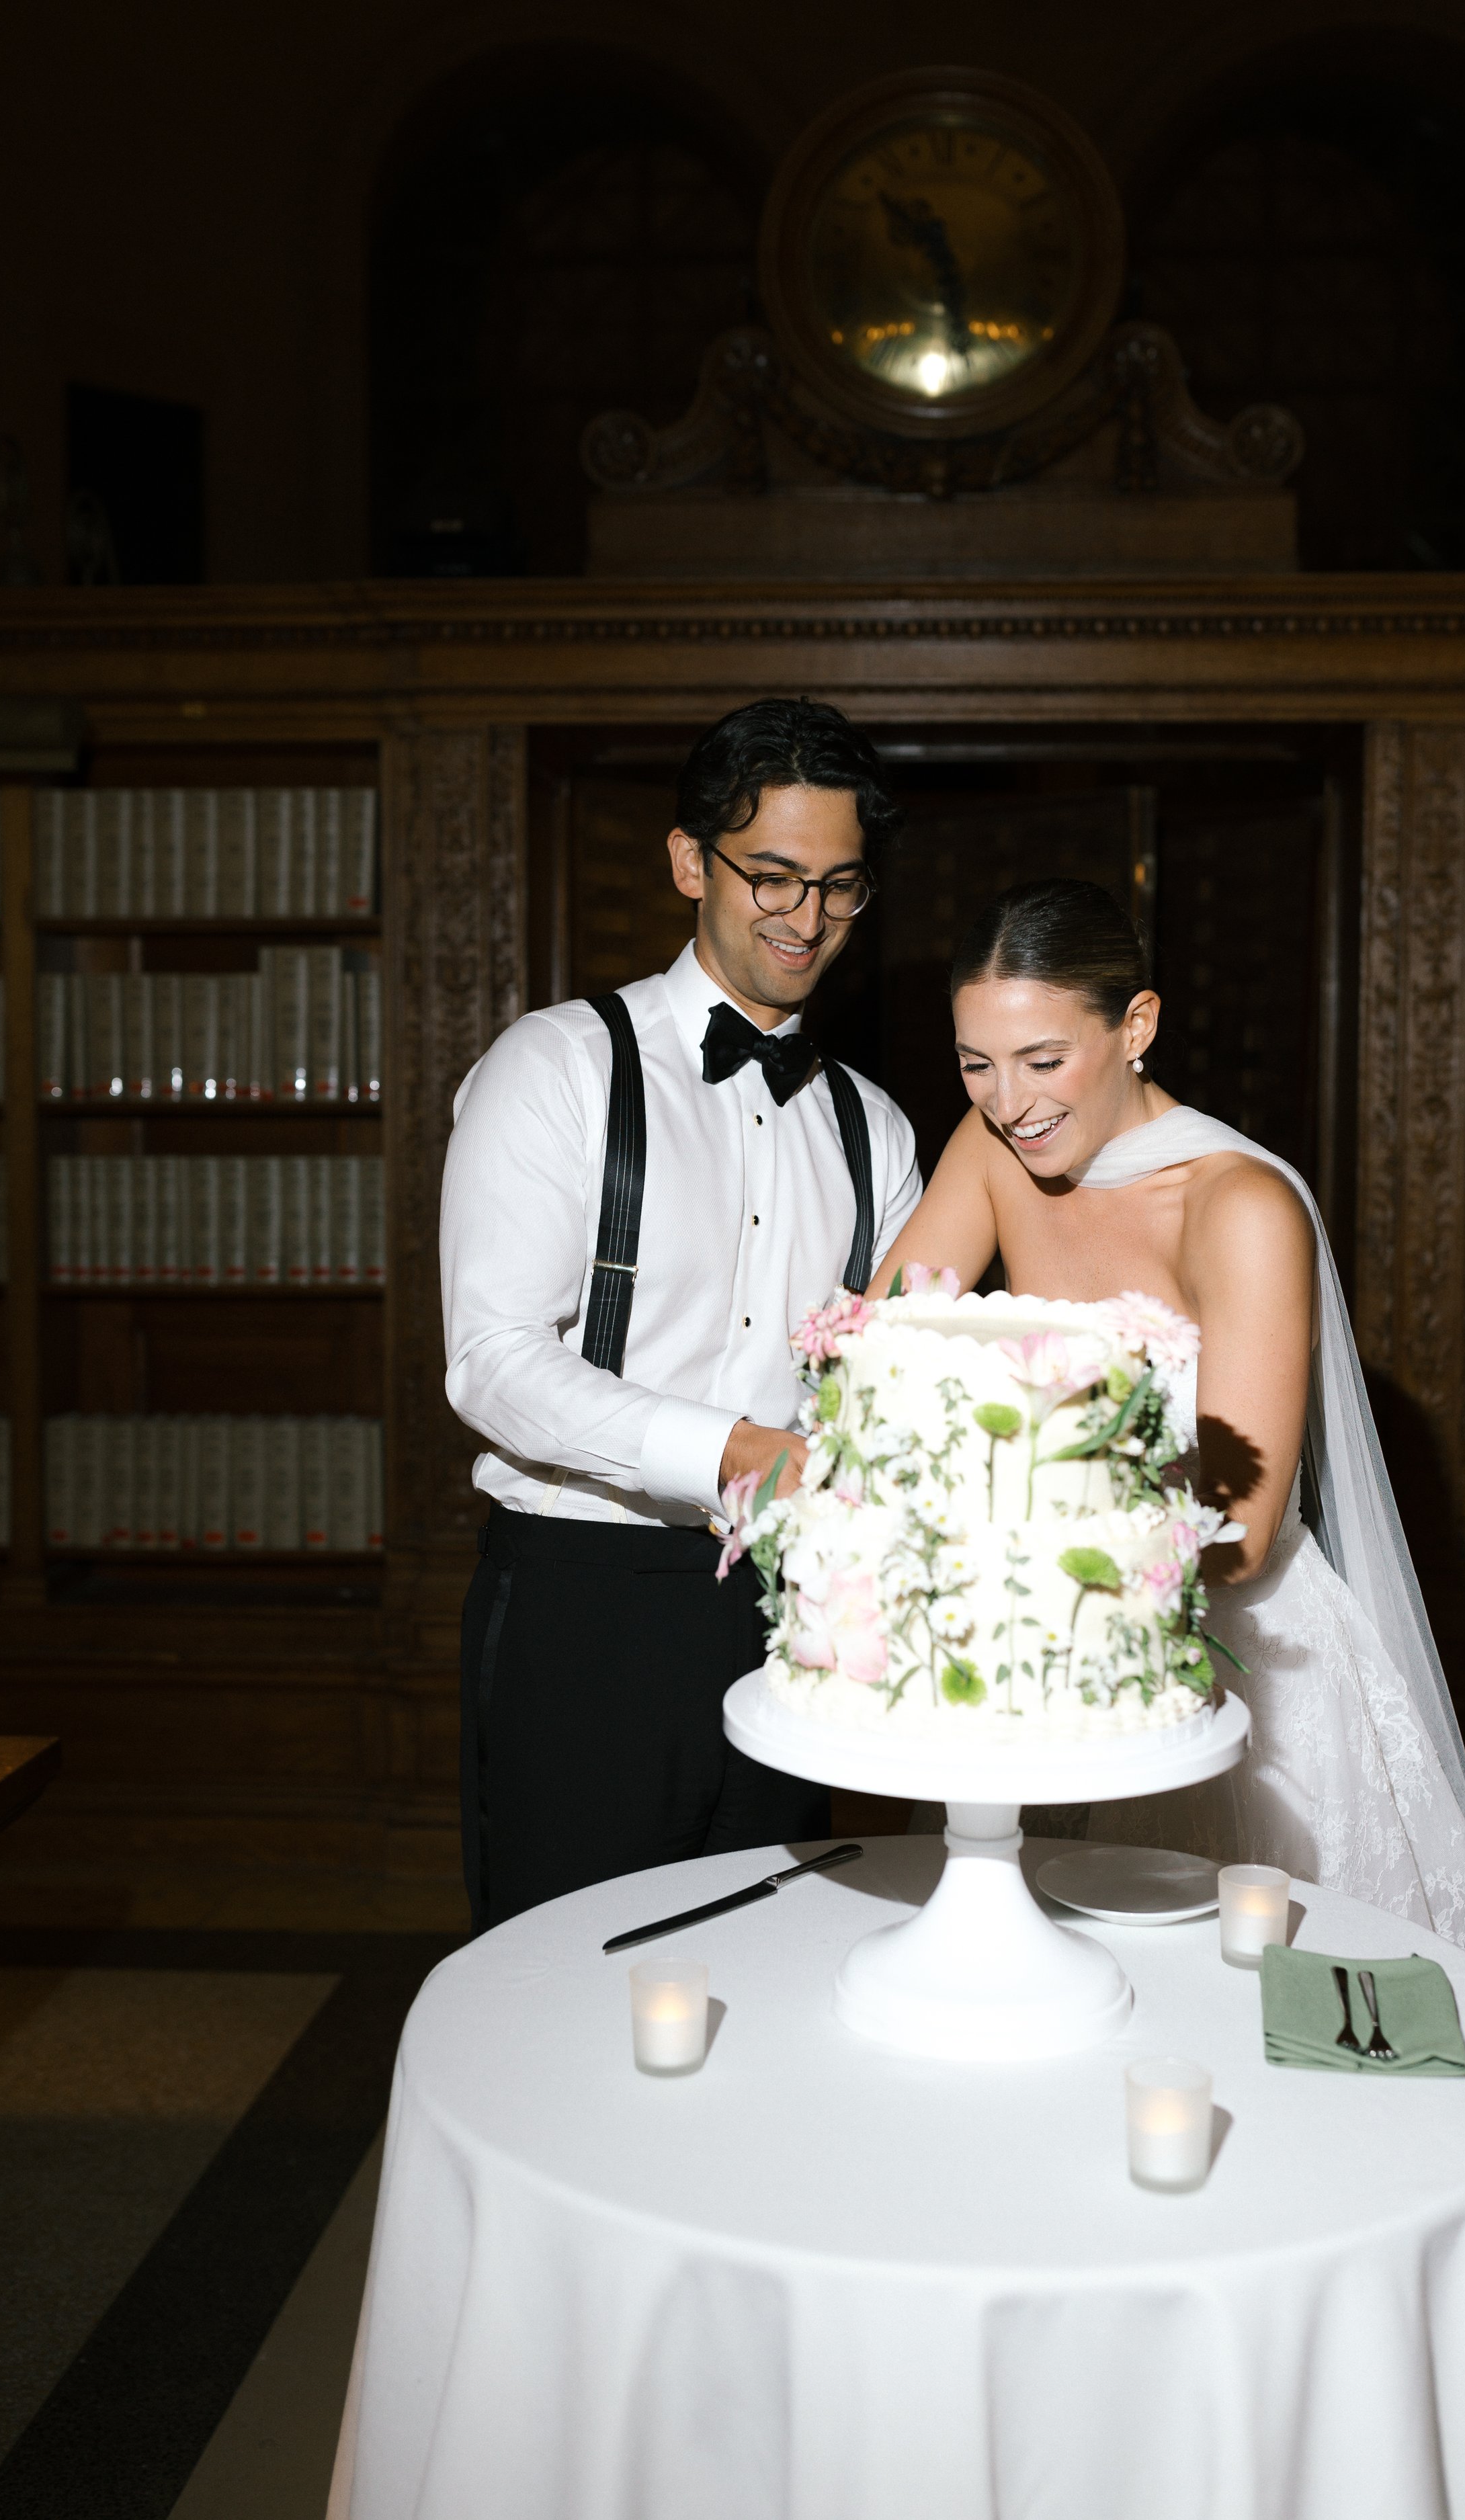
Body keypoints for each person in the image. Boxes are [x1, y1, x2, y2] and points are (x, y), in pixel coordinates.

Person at [872, 876, 1465, 1966]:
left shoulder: (1239, 1206)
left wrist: (1020, 1543)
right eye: (977, 1062)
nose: (1009, 1100)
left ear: (1138, 1026)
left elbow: (1241, 1531)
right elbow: (883, 1362)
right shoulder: (990, 1149)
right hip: (1035, 1637)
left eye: (1043, 1059)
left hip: (1238, 1663)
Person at [441, 698, 920, 1931]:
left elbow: (890, 1387)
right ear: (686, 862)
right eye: (772, 876)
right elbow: (490, 1364)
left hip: (794, 1615)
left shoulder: (878, 1128)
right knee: (563, 1981)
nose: (807, 919)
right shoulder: (553, 1068)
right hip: (586, 1601)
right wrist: (731, 1452)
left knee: (774, 1976)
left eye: (840, 885)